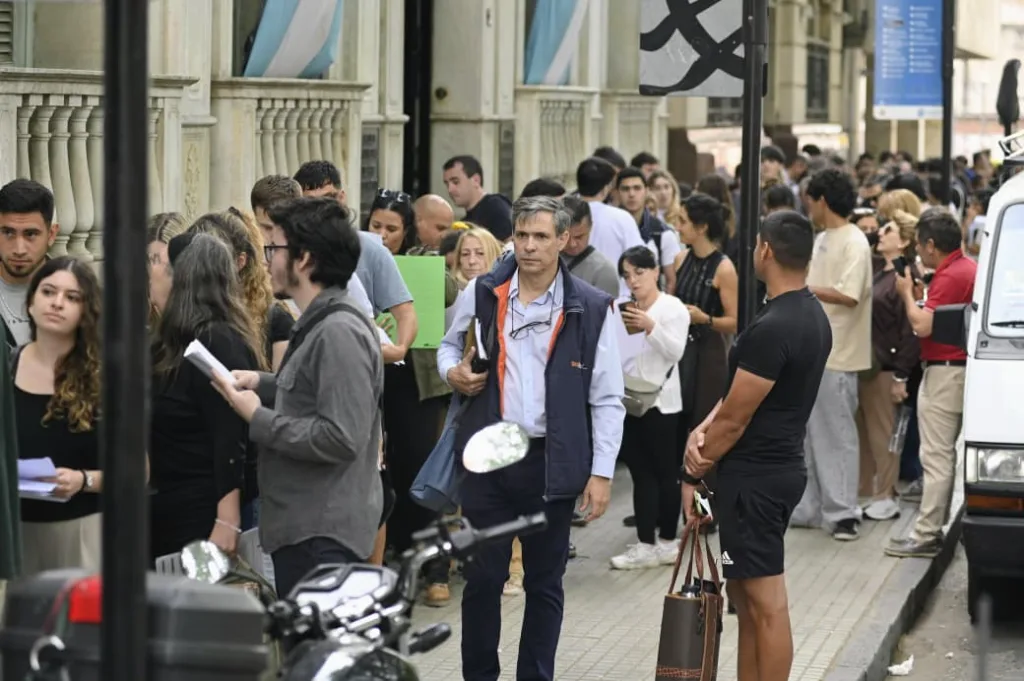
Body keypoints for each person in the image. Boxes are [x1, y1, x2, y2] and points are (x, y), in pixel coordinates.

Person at [437, 195, 625, 681]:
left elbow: (607, 397)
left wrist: (601, 473)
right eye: (521, 235)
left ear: (564, 240)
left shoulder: (591, 306)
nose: (529, 246)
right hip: (488, 456)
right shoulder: (482, 291)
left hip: (550, 460)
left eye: (541, 236)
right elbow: (445, 346)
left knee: (544, 584)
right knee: (481, 580)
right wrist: (453, 373)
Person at [683, 209, 832, 681]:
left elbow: (736, 417)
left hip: (758, 480)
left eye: (755, 244)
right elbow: (733, 399)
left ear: (765, 250)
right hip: (766, 473)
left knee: (765, 604)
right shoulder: (806, 311)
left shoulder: (776, 326)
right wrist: (701, 430)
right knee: (745, 599)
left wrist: (694, 468)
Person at [212, 197, 384, 599]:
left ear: (303, 258)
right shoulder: (319, 319)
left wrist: (258, 418)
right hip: (308, 530)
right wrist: (263, 382)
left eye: (273, 249)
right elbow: (314, 391)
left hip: (322, 536)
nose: (266, 260)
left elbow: (341, 436)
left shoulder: (338, 330)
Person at [148, 233, 263, 562]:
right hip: (170, 503)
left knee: (198, 604)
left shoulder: (217, 340)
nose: (151, 271)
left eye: (160, 263)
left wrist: (227, 519)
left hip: (202, 514)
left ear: (182, 279)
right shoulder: (170, 340)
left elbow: (230, 434)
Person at [885, 208, 976, 558]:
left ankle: (925, 534)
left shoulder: (952, 274)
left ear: (932, 245)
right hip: (950, 368)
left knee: (936, 456)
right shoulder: (960, 268)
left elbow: (922, 325)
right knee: (941, 454)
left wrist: (908, 293)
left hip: (945, 370)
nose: (919, 253)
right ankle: (930, 528)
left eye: (921, 246)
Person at [16, 257, 111, 572]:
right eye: (48, 292)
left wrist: (82, 480)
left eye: (72, 297)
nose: (57, 303)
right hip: (16, 533)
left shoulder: (104, 379)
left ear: (86, 311)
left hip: (82, 530)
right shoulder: (7, 368)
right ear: (30, 302)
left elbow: (139, 469)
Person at [793, 168, 873, 541]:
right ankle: (809, 507)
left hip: (838, 354)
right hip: (813, 352)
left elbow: (850, 294)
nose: (808, 207)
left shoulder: (854, 240)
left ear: (822, 200)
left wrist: (803, 288)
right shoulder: (822, 237)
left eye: (811, 200)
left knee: (836, 434)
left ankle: (843, 513)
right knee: (806, 436)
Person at [609, 246, 690, 570]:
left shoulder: (672, 308)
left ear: (655, 271)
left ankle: (668, 542)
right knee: (640, 474)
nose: (633, 281)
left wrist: (650, 326)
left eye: (639, 273)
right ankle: (645, 543)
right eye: (627, 275)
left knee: (666, 474)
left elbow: (677, 351)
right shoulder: (621, 308)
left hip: (663, 403)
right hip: (631, 400)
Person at [292, 162, 418, 363]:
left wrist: (399, 349)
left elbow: (405, 313)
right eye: (309, 202)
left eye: (327, 199)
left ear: (341, 198)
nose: (318, 209)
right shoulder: (285, 249)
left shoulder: (371, 249)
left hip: (360, 360)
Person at [0, 180, 59, 349]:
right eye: (8, 233)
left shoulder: (77, 294)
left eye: (30, 234)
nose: (19, 249)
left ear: (51, 234)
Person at [442, 155, 514, 241]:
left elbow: (512, 245)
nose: (450, 190)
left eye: (456, 182)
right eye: (447, 184)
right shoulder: (464, 222)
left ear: (476, 180)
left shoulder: (495, 207)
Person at [559, 196, 619, 298]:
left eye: (579, 237)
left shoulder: (603, 271)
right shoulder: (544, 258)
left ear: (590, 226)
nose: (572, 244)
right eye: (566, 236)